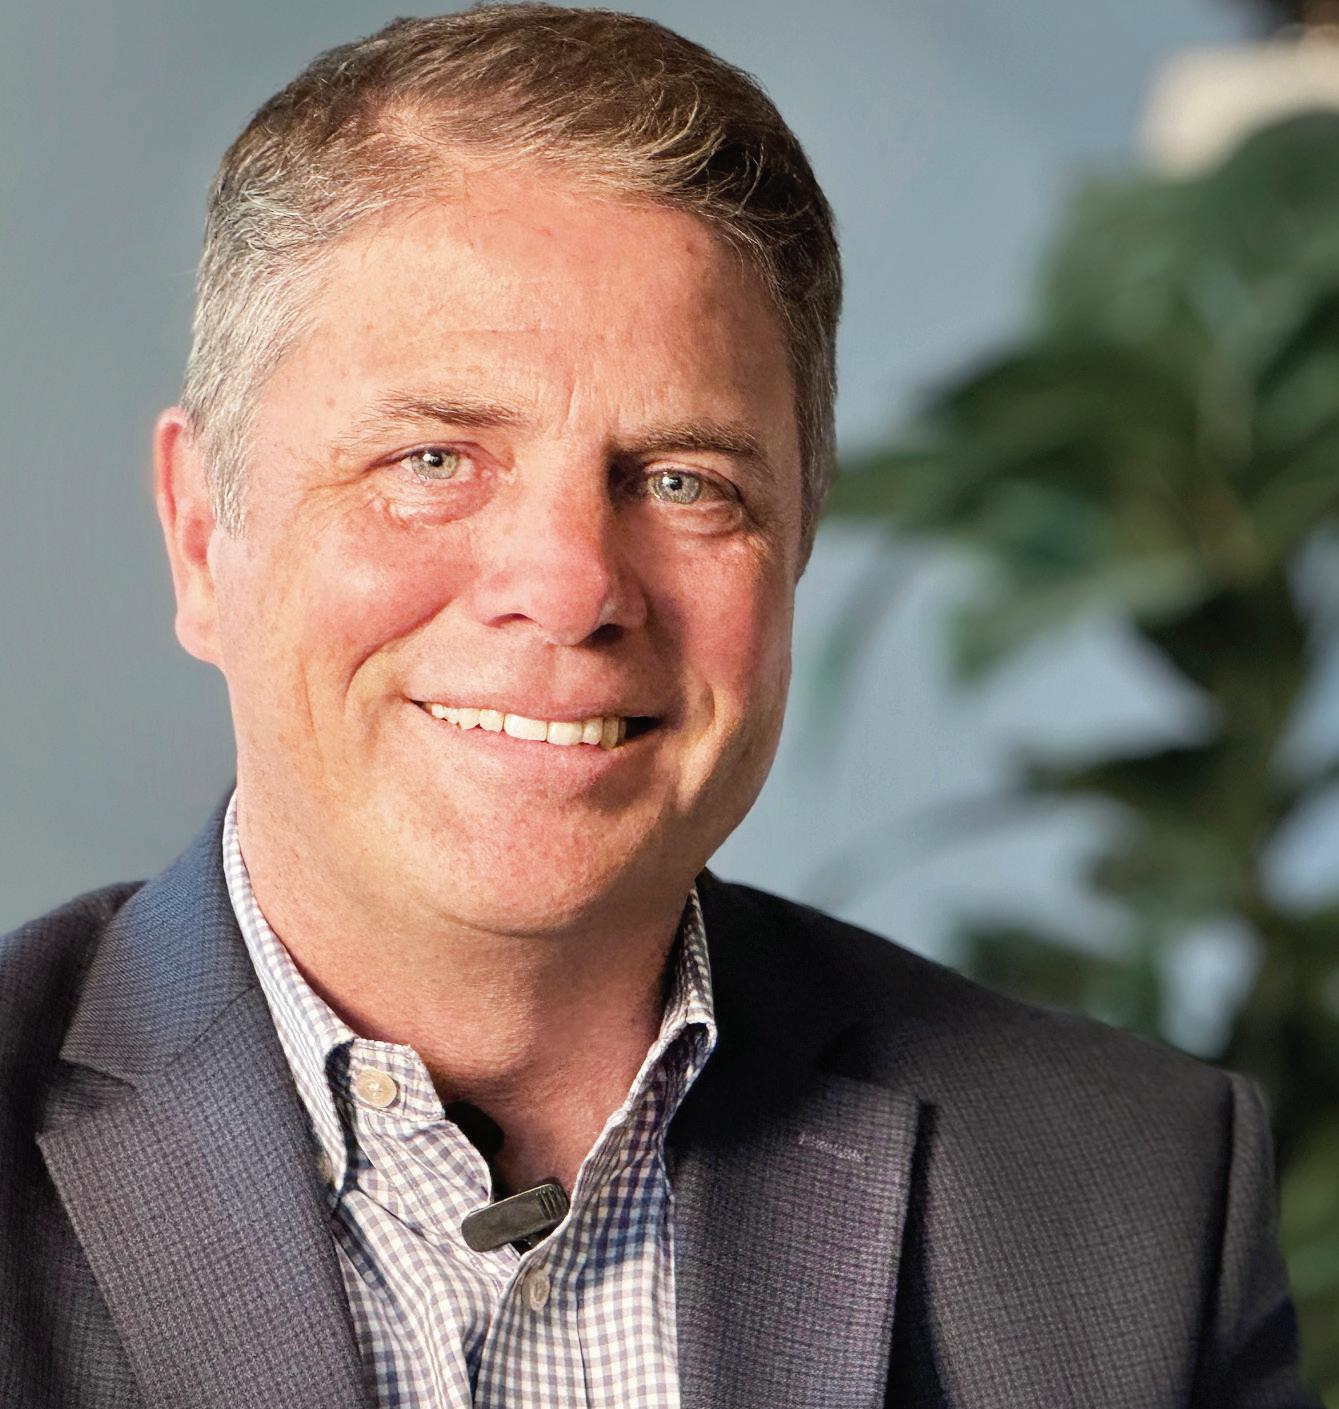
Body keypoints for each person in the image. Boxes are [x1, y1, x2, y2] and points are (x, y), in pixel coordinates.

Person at [0, 7, 1318, 1407]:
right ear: (203, 535)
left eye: (686, 481)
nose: (571, 587)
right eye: (434, 458)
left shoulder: (1131, 1202)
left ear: (796, 545)